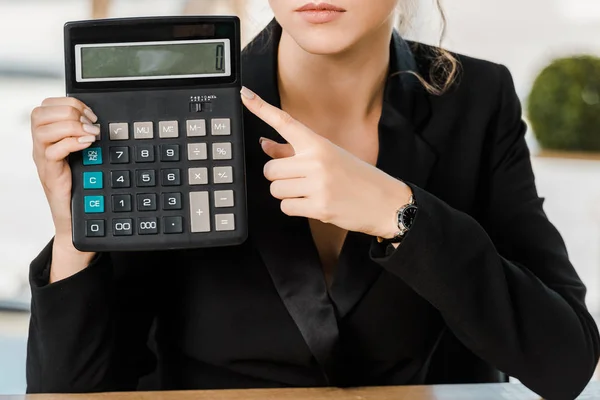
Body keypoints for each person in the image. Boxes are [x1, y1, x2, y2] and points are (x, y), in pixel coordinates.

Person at [26, 1, 599, 399]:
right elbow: (69, 393)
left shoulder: (477, 100)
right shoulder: (174, 107)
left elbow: (565, 360)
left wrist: (396, 212)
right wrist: (75, 227)